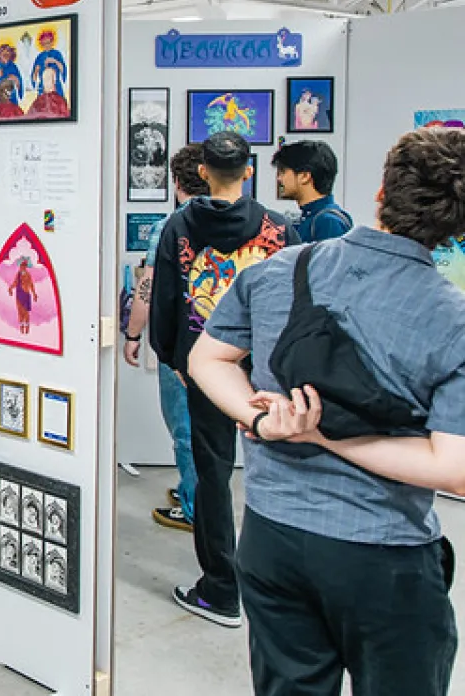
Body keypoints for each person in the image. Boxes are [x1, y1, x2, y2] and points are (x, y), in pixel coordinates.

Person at [190, 127, 465, 696]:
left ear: (381, 195)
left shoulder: (277, 270)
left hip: (271, 539)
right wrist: (331, 439)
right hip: (383, 552)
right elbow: (453, 467)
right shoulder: (452, 317)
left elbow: (207, 359)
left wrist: (269, 420)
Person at [149, 131, 298, 628]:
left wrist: (172, 357)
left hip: (206, 371)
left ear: (205, 173)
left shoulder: (179, 227)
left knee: (213, 476)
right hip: (267, 370)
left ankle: (220, 589)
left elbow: (167, 301)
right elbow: (301, 304)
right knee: (277, 474)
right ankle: (279, 588)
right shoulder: (278, 229)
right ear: (249, 170)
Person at [123, 144, 210, 532]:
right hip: (226, 345)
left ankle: (195, 507)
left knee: (184, 428)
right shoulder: (238, 224)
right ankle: (203, 492)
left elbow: (148, 288)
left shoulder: (170, 227)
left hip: (181, 345)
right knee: (212, 429)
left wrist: (133, 334)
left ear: (176, 182)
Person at [272, 139, 353, 242]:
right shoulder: (310, 218)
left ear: (305, 176)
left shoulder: (328, 222)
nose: (279, 179)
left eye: (283, 172)